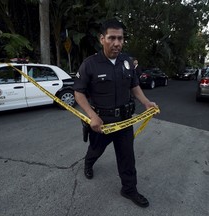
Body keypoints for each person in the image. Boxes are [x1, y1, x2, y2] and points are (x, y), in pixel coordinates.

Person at [73, 18, 158, 208]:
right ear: (102, 39)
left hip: (125, 121)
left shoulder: (127, 62)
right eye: (112, 38)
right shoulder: (90, 64)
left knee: (127, 157)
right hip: (102, 122)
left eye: (120, 38)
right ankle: (88, 163)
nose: (117, 43)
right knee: (95, 150)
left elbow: (134, 86)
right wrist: (91, 115)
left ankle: (129, 189)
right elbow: (78, 93)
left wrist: (146, 102)